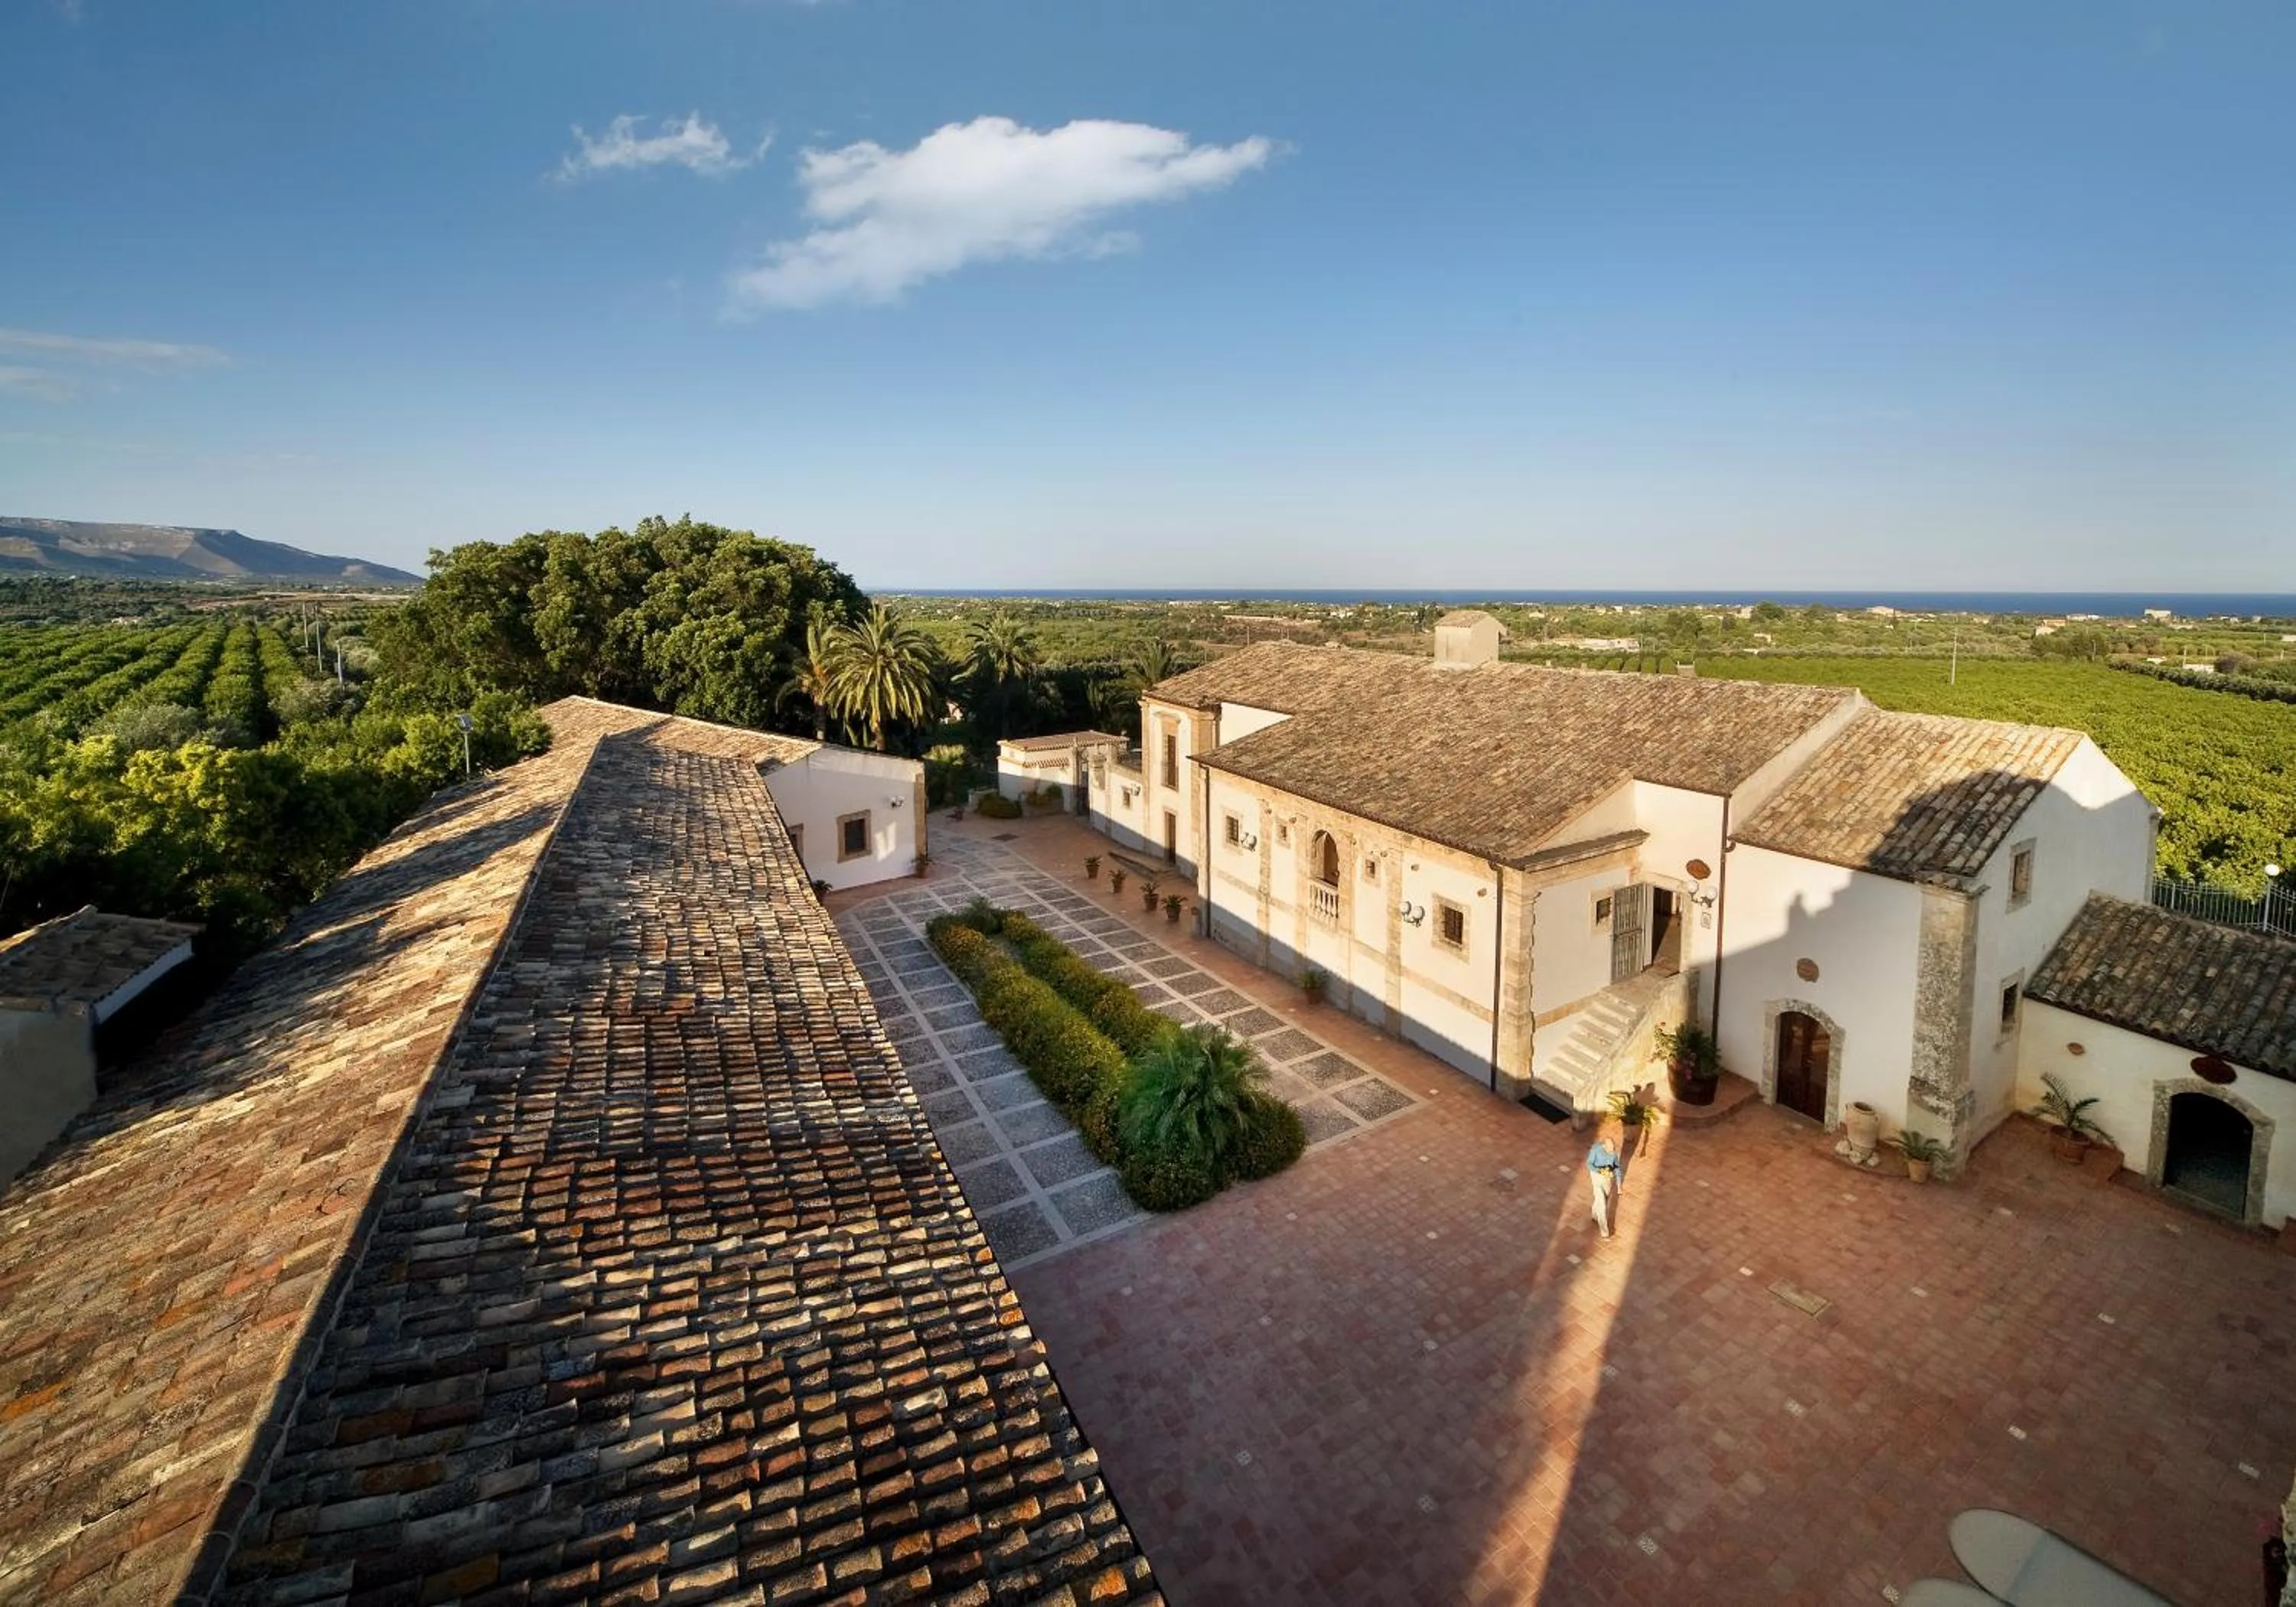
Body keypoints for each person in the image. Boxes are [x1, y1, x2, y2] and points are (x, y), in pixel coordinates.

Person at [1587, 1128, 1621, 1239]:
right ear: (1605, 1147)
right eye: (1610, 1149)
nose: (1612, 1151)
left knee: (1604, 1197)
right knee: (1602, 1203)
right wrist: (1600, 1171)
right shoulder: (1596, 1150)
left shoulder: (1614, 1154)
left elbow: (1617, 1169)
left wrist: (1619, 1186)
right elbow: (1589, 1165)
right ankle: (1605, 1231)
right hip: (1596, 1176)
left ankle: (1594, 1215)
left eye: (1613, 1149)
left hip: (1607, 1178)